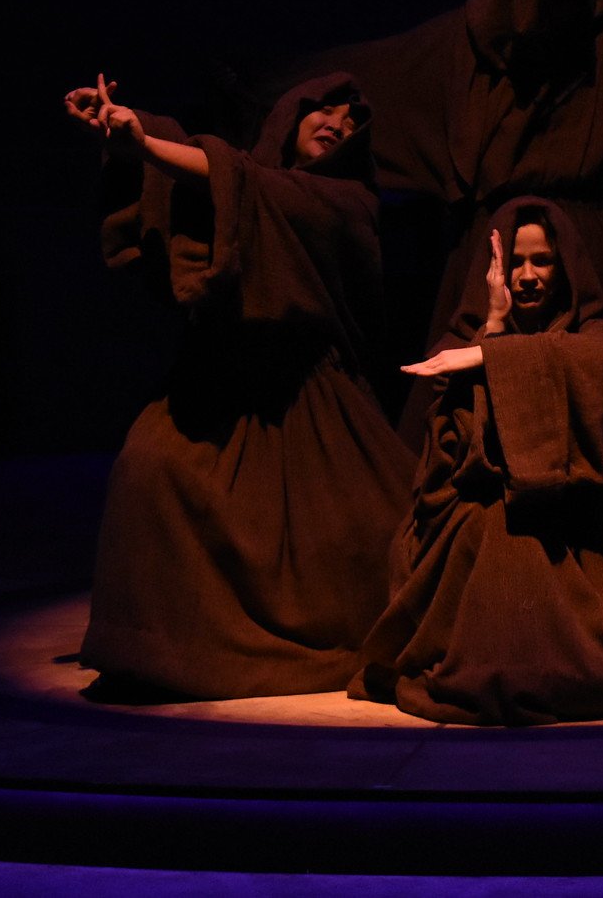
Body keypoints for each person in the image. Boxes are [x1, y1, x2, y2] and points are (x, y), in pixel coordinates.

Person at [64, 71, 416, 699]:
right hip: (222, 378)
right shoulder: (247, 178)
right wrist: (130, 129)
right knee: (152, 470)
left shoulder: (346, 201)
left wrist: (144, 141)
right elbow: (208, 179)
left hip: (310, 394)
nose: (336, 120)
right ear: (289, 115)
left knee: (359, 532)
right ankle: (164, 648)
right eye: (321, 109)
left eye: (351, 118)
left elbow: (240, 183)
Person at [279, 0, 603, 440]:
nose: (549, 15)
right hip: (491, 247)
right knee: (467, 407)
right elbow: (386, 72)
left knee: (602, 397)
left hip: (590, 250)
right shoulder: (467, 47)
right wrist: (268, 88)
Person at [349, 197, 603, 725]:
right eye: (516, 262)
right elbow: (453, 456)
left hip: (567, 516)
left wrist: (492, 358)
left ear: (566, 267)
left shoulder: (600, 334)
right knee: (489, 532)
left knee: (523, 541)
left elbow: (596, 366)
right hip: (478, 510)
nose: (528, 276)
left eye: (543, 261)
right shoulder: (459, 344)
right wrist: (491, 329)